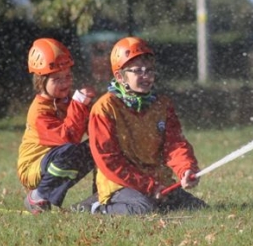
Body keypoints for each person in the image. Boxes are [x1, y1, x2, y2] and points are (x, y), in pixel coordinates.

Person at [87, 36, 206, 215]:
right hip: (119, 184)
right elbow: (109, 160)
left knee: (197, 209)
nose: (146, 76)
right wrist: (148, 186)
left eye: (150, 70)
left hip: (158, 183)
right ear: (120, 76)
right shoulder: (104, 108)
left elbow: (174, 144)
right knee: (143, 209)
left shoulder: (163, 105)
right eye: (138, 71)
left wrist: (185, 169)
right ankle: (96, 207)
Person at [17, 37, 96, 214]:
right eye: (57, 79)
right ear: (40, 81)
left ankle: (100, 196)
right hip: (34, 167)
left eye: (68, 76)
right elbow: (67, 138)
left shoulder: (66, 101)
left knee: (98, 145)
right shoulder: (38, 111)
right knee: (68, 150)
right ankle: (38, 196)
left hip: (58, 157)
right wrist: (80, 103)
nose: (65, 83)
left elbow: (91, 128)